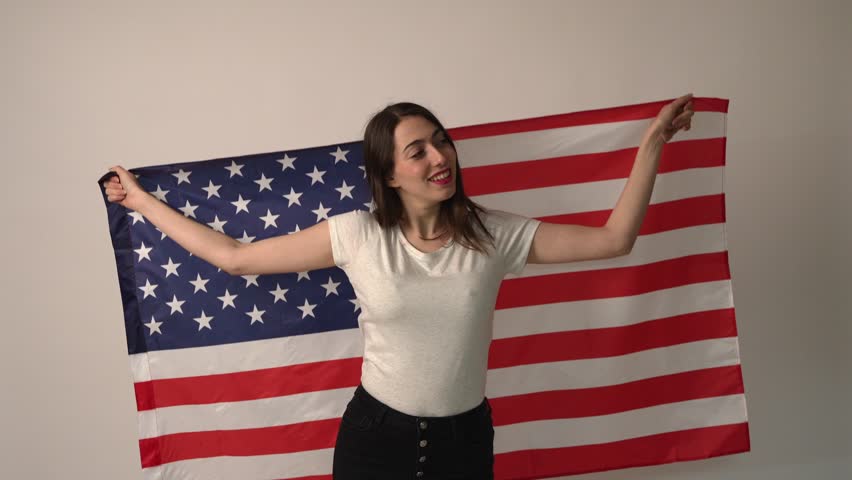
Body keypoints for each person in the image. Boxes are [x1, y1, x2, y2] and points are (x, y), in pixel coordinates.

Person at [103, 95, 694, 479]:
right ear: (389, 174)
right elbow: (236, 258)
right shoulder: (357, 234)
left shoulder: (494, 234)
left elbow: (614, 240)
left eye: (442, 140)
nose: (440, 156)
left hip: (464, 443)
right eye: (419, 151)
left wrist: (653, 145)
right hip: (374, 441)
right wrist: (140, 202)